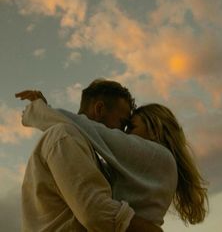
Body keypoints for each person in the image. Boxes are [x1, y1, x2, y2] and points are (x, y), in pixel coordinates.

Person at [16, 84, 208, 231]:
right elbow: (96, 211)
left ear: (155, 130)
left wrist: (42, 111)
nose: (123, 134)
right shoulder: (65, 137)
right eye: (124, 124)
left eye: (130, 127)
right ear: (99, 109)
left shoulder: (159, 156)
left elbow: (94, 131)